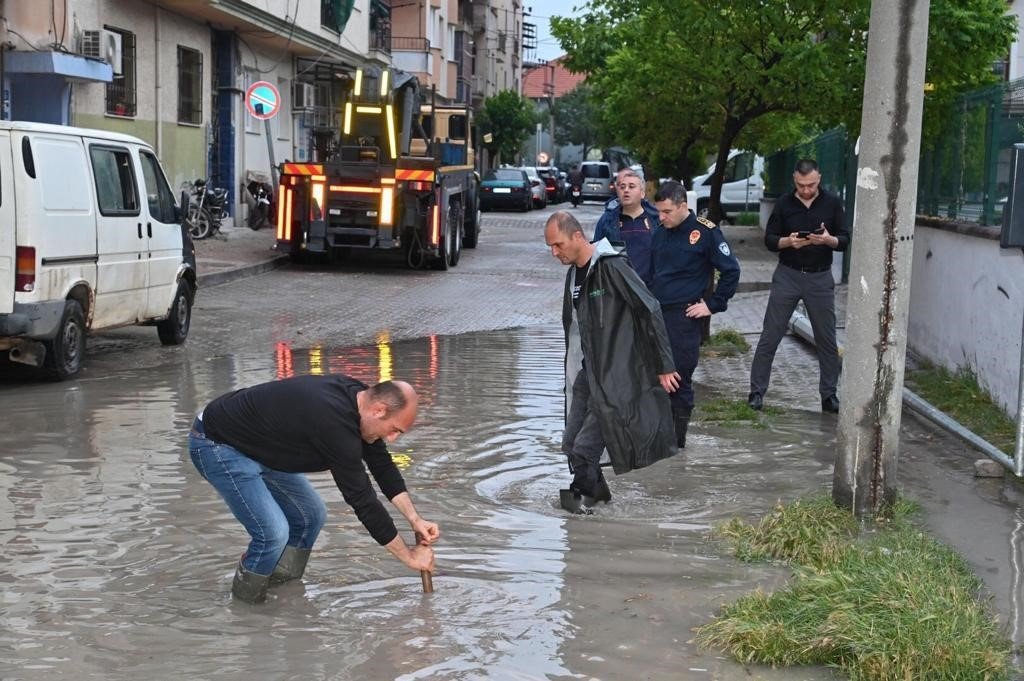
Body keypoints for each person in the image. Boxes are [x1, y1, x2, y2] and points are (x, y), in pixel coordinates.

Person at [188, 375, 438, 603]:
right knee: (273, 534)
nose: (393, 439)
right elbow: (362, 499)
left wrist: (414, 519)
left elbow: (381, 465)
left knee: (311, 515)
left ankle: (279, 588)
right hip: (217, 444)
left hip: (259, 444)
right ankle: (246, 607)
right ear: (379, 410)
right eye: (395, 430)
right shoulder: (334, 424)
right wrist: (408, 556)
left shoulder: (361, 400)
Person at [544, 210, 681, 514]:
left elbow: (650, 309)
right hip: (588, 375)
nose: (555, 253)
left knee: (584, 449)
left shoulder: (612, 267)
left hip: (616, 379)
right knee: (571, 446)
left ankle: (585, 510)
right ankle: (600, 504)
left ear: (577, 236)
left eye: (558, 245)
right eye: (550, 247)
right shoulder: (573, 275)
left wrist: (664, 365)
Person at [748, 159, 849, 413]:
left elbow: (845, 239)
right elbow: (770, 240)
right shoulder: (783, 203)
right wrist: (787, 242)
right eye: (801, 185)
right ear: (794, 180)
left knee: (826, 339)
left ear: (819, 178)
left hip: (820, 277)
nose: (806, 190)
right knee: (770, 335)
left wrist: (828, 240)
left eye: (811, 185)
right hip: (788, 275)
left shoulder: (833, 203)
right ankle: (756, 392)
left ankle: (829, 395)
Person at [651, 181, 740, 447]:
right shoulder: (659, 232)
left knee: (678, 380)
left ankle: (676, 443)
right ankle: (656, 438)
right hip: (656, 314)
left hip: (683, 317)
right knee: (654, 377)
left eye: (666, 211)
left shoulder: (706, 232)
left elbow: (731, 271)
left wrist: (713, 305)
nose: (661, 217)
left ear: (682, 206)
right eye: (659, 211)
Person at [592, 168, 660, 287]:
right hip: (619, 289)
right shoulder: (607, 221)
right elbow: (596, 256)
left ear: (642, 193)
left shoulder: (656, 220)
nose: (626, 190)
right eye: (622, 187)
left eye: (632, 186)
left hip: (651, 290)